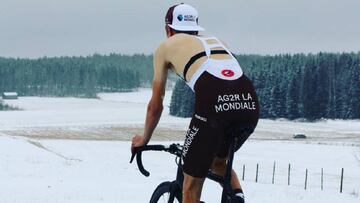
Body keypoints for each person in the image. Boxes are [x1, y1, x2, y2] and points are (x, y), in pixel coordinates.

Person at [131, 3, 259, 203]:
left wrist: (143, 139)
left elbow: (155, 106)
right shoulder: (217, 41)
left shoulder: (165, 47)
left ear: (168, 29)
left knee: (190, 188)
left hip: (215, 106)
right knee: (218, 162)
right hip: (249, 104)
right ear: (196, 28)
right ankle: (237, 197)